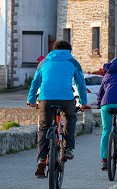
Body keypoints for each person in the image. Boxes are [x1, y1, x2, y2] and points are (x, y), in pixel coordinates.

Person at [27, 40, 88, 177]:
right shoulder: (73, 62)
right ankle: (68, 149)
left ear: (53, 50)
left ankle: (42, 158)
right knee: (71, 117)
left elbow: (35, 82)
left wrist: (31, 100)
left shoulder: (44, 62)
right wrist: (83, 102)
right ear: (69, 51)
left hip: (46, 99)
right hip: (66, 99)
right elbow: (81, 84)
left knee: (44, 127)